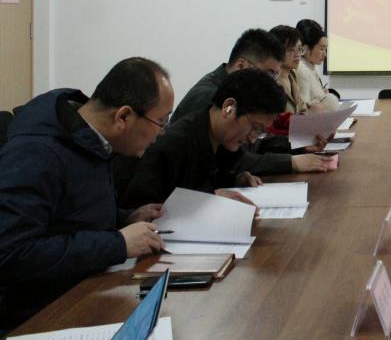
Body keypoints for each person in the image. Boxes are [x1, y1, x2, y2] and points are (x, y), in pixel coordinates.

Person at [0, 58, 171, 333]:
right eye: (161, 121)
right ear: (123, 116)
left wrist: (125, 218)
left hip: (84, 289)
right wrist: (117, 244)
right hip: (40, 315)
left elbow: (68, 216)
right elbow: (11, 253)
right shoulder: (36, 153)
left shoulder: (90, 140)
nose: (162, 133)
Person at [162, 28, 329, 177]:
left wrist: (299, 145)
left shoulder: (236, 91)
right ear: (241, 65)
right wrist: (291, 162)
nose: (271, 82)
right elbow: (232, 160)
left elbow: (251, 143)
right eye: (268, 74)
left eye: (275, 75)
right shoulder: (210, 98)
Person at [121, 68, 287, 207]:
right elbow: (140, 208)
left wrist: (234, 180)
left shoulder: (224, 143)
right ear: (228, 107)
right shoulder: (177, 143)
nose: (252, 139)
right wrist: (208, 199)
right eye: (255, 128)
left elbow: (205, 182)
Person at [295, 19, 341, 110]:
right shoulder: (301, 70)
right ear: (305, 48)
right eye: (321, 49)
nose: (325, 54)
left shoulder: (311, 67)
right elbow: (304, 110)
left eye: (325, 49)